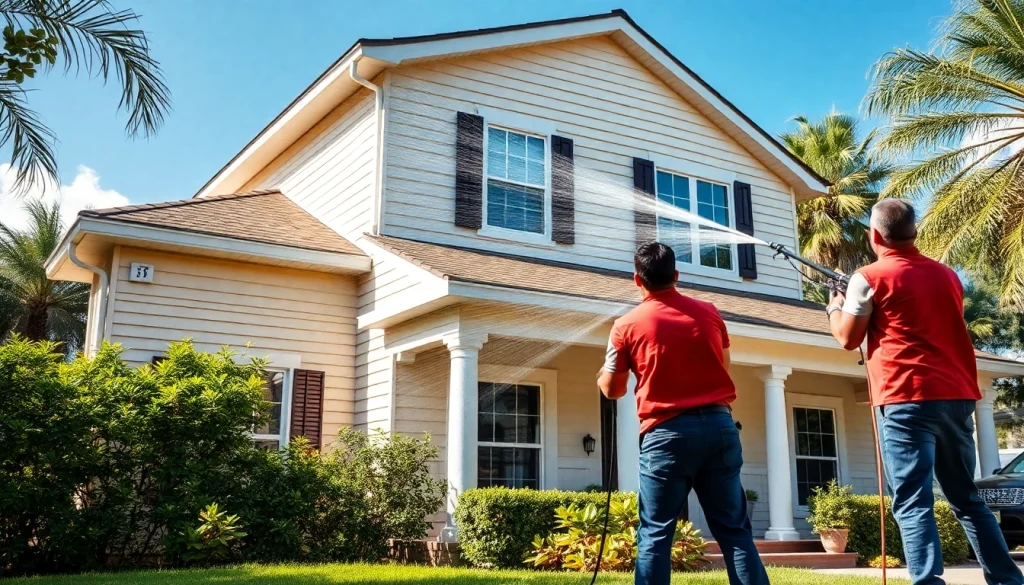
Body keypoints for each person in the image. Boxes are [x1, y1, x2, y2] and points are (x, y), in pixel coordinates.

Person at [828, 199, 1023, 585]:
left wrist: (835, 308)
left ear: (874, 235)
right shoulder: (948, 275)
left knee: (913, 500)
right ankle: (1007, 580)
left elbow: (849, 339)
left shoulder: (867, 277)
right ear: (914, 233)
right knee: (966, 498)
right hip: (955, 397)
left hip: (905, 398)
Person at [599, 242, 768, 585]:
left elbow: (613, 390)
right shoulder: (709, 313)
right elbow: (724, 367)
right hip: (720, 427)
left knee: (656, 534)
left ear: (637, 280)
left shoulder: (625, 326)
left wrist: (603, 375)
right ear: (676, 276)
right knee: (734, 531)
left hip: (667, 434)